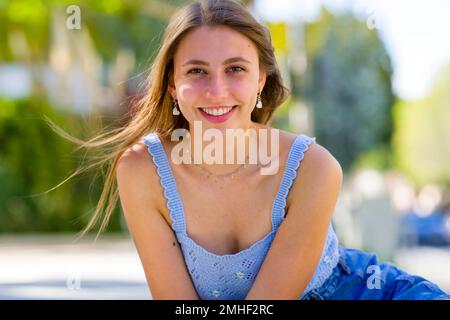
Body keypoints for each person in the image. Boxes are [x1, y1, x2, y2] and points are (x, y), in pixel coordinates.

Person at [66, 0, 449, 300]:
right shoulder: (142, 170)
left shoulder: (312, 168)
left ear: (261, 81)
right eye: (196, 71)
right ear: (172, 86)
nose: (216, 90)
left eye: (235, 69)